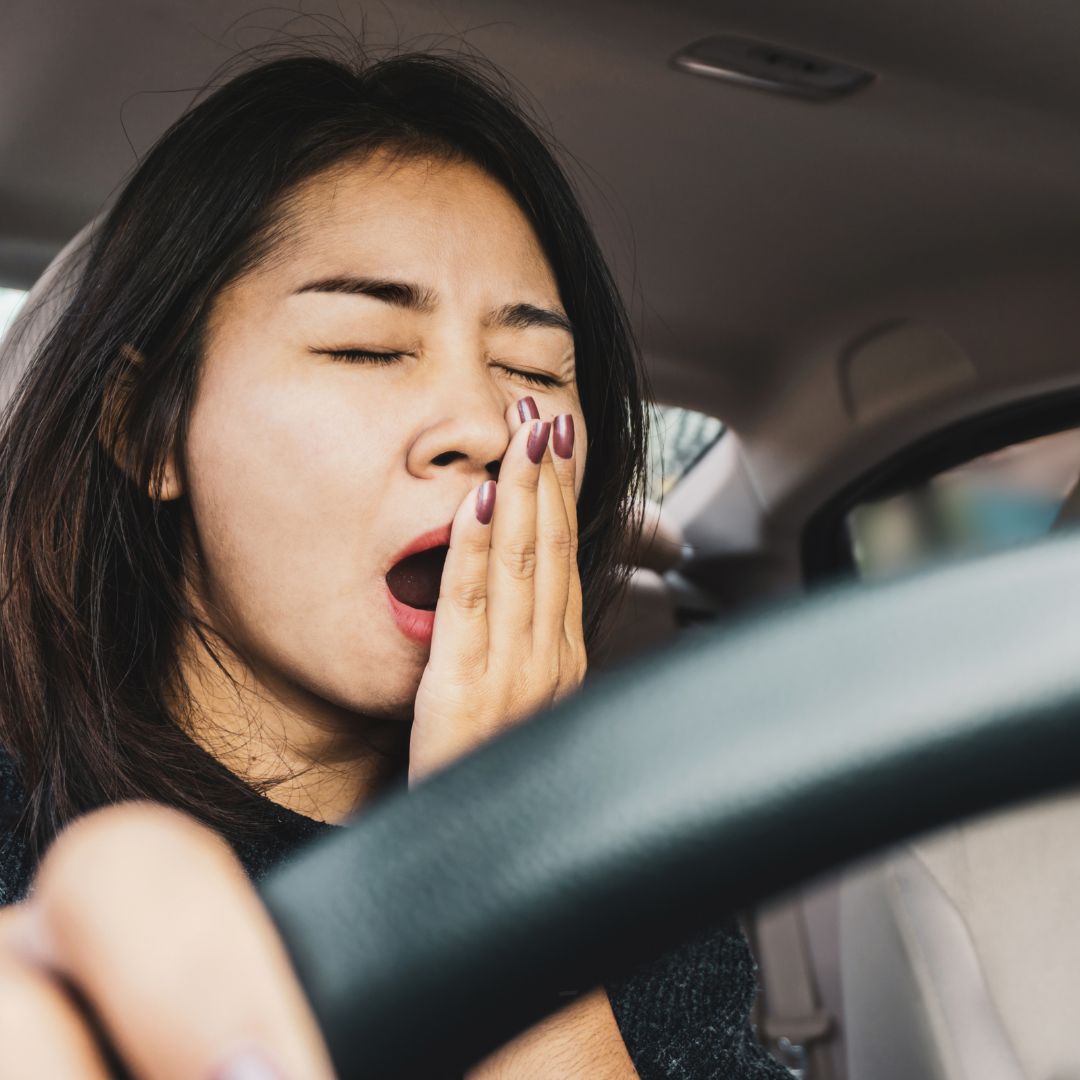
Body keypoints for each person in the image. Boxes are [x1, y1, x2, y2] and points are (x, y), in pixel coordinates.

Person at [0, 47, 788, 1078]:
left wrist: (506, 863)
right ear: (149, 430)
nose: (479, 423)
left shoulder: (653, 895)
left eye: (533, 369)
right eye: (367, 348)